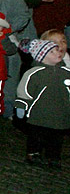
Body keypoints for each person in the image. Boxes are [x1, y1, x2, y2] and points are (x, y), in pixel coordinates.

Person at [16, 39, 70, 169]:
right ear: (42, 57)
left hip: (59, 113)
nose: (57, 53)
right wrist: (22, 105)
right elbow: (25, 90)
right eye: (51, 52)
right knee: (36, 136)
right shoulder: (34, 73)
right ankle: (33, 153)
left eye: (56, 50)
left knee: (56, 138)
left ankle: (54, 156)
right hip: (39, 113)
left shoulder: (66, 72)